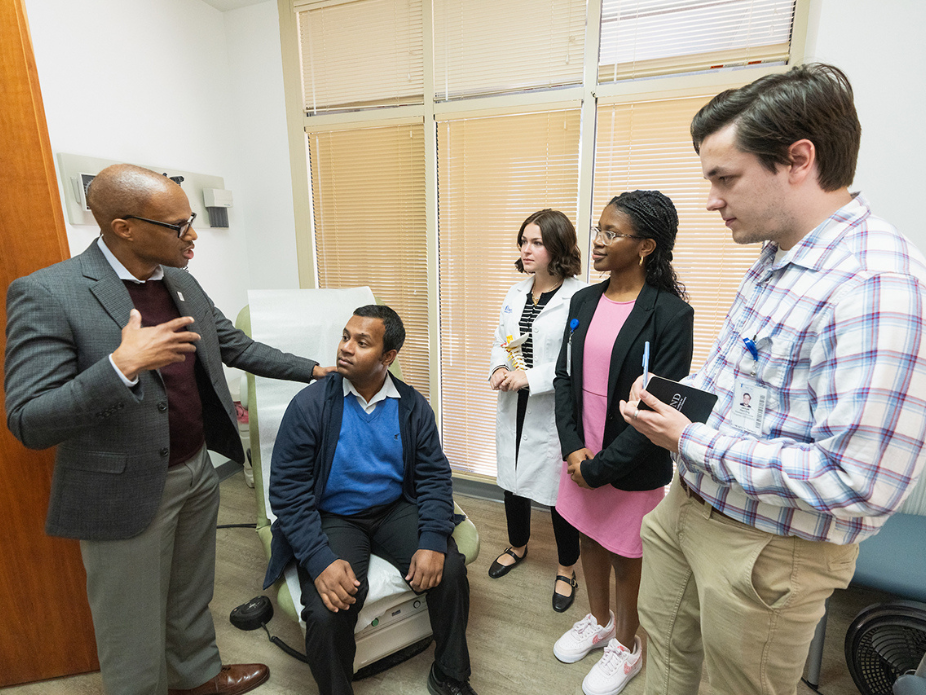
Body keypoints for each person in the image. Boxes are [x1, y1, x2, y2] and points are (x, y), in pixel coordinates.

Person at [620, 64, 926, 695]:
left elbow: (857, 481)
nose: (709, 200)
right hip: (691, 507)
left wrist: (691, 441)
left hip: (769, 547)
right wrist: (673, 397)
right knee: (665, 664)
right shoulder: (776, 254)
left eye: (724, 178)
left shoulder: (876, 286)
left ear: (797, 159)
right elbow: (740, 372)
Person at [4, 165, 333, 695]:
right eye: (178, 225)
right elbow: (29, 420)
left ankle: (198, 675)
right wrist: (120, 367)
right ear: (124, 227)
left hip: (197, 468)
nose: (193, 235)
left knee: (189, 592)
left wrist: (316, 369)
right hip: (122, 486)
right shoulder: (49, 293)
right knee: (129, 622)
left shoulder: (179, 279)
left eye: (192, 220)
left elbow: (234, 345)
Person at [265, 305, 475, 695]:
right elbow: (287, 491)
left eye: (362, 342)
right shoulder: (310, 406)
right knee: (330, 608)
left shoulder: (412, 407)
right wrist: (318, 558)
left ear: (388, 357)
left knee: (450, 572)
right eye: (345, 336)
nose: (346, 348)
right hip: (334, 515)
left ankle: (450, 675)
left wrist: (431, 541)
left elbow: (433, 476)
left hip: (394, 508)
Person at [551, 191, 694, 695]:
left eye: (612, 233)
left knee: (626, 552)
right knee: (588, 535)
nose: (597, 241)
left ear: (646, 246)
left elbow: (661, 411)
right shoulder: (583, 300)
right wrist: (573, 450)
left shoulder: (670, 315)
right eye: (599, 229)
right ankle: (599, 620)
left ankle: (628, 645)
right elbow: (564, 378)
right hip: (580, 448)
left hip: (629, 457)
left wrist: (602, 467)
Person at [487, 209, 586, 612]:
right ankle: (517, 545)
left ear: (557, 248)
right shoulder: (516, 293)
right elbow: (501, 339)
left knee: (556, 492)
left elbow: (577, 358)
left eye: (537, 242)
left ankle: (567, 568)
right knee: (512, 481)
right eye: (524, 241)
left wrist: (532, 377)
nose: (526, 249)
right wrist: (498, 366)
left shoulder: (579, 297)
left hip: (551, 405)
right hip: (513, 401)